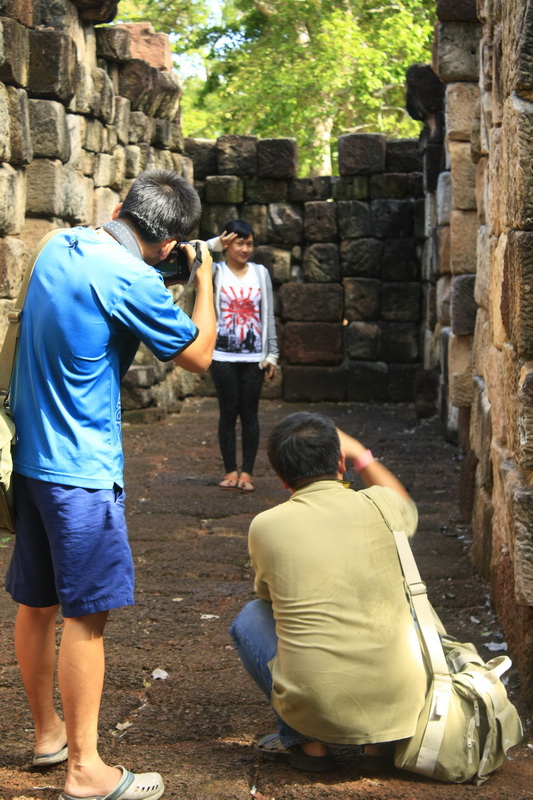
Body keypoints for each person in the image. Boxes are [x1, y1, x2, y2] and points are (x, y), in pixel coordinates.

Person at [5, 170, 216, 800]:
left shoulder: (61, 247)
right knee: (87, 617)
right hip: (83, 476)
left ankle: (49, 737)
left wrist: (166, 268)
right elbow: (198, 354)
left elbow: (110, 291)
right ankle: (85, 768)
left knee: (36, 603)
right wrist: (201, 280)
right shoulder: (134, 279)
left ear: (120, 207)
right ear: (174, 242)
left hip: (32, 460)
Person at [230, 412, 428, 772]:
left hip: (318, 706)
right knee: (404, 610)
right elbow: (407, 506)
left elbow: (267, 598)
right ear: (340, 462)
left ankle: (309, 745)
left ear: (282, 478)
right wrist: (362, 455)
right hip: (400, 704)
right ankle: (379, 746)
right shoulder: (382, 505)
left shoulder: (266, 526)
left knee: (249, 619)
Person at [206, 220, 279, 493]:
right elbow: (190, 258)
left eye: (249, 243)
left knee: (249, 414)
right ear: (227, 243)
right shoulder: (215, 271)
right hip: (221, 355)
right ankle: (229, 471)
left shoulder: (260, 273)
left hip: (253, 358)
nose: (246, 248)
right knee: (227, 413)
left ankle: (246, 472)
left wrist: (272, 354)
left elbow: (268, 314)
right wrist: (214, 245)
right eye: (239, 243)